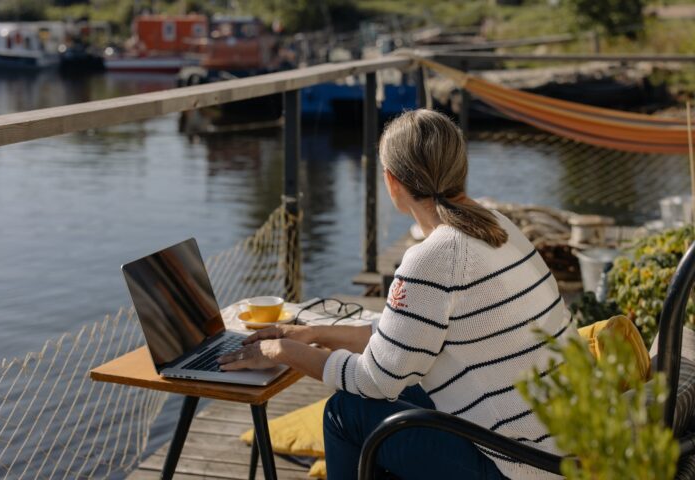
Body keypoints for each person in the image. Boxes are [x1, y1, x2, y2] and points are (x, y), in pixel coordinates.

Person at [218, 109, 577, 480]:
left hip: (520, 466)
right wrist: (315, 334)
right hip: (564, 450)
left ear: (392, 182)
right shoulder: (497, 225)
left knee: (346, 412)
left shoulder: (434, 258)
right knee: (398, 396)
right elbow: (402, 339)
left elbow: (375, 379)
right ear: (459, 168)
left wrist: (284, 351)